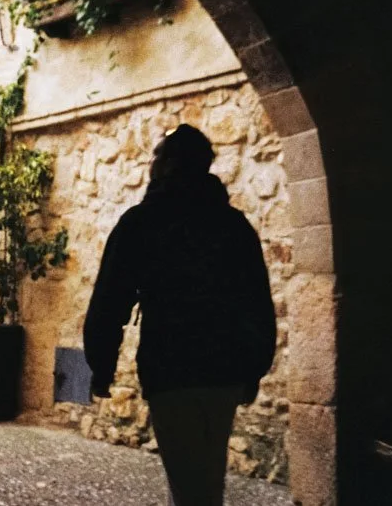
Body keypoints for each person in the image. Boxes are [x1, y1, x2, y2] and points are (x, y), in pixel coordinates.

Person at [83, 124, 276, 506]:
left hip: (171, 368)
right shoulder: (233, 225)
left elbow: (110, 299)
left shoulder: (142, 222)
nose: (151, 163)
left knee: (190, 484)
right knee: (205, 479)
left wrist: (100, 365)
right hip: (224, 369)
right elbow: (256, 300)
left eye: (156, 155)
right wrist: (254, 367)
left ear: (168, 164)